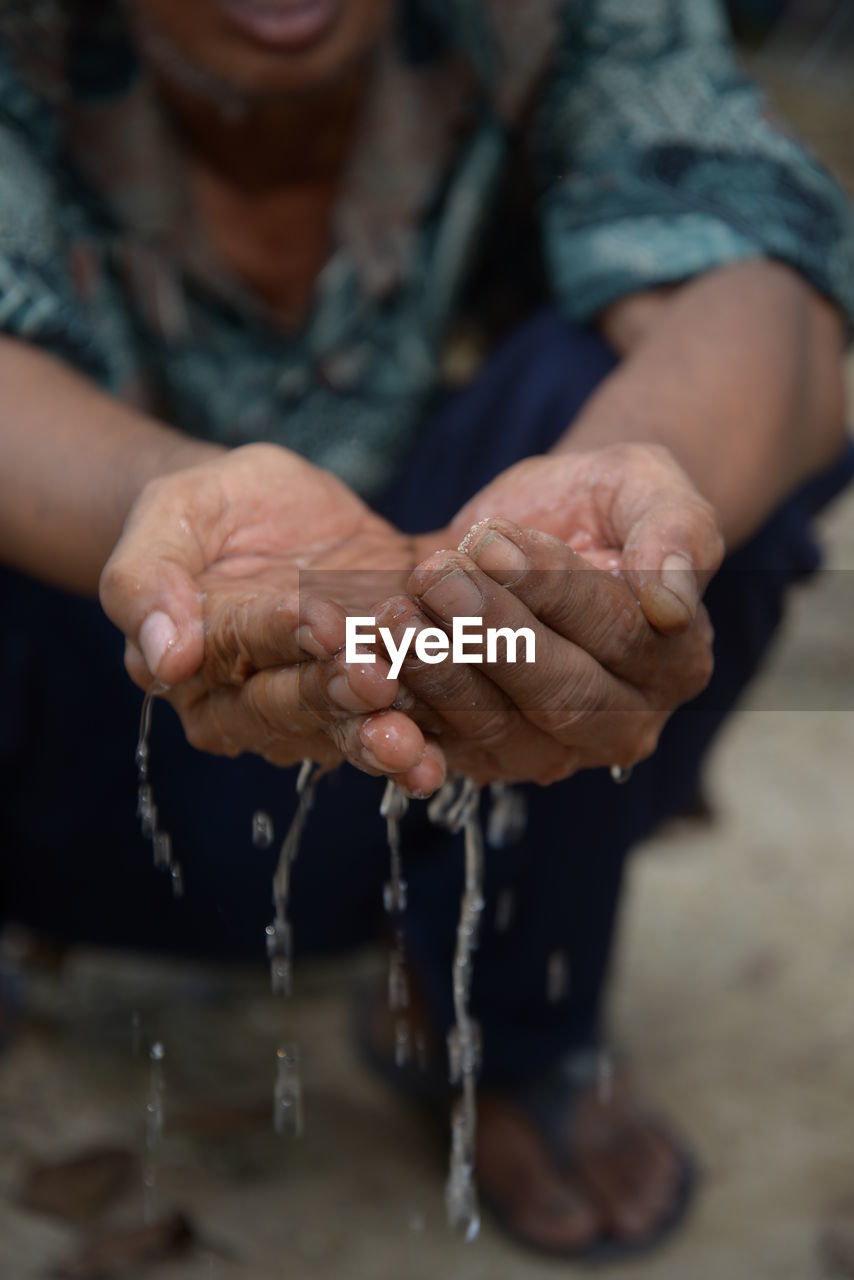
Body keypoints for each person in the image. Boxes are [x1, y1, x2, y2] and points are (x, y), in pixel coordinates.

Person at [1, 0, 852, 1259]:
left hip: (462, 752)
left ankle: (492, 1014)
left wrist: (637, 487)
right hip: (79, 725)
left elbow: (754, 279)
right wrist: (155, 499)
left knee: (701, 442)